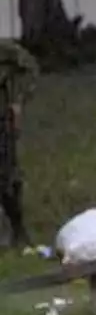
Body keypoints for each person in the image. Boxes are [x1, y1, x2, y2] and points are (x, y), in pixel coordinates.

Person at [0, 40, 38, 248]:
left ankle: (17, 228)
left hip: (1, 123)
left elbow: (29, 67)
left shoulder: (6, 52)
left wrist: (17, 101)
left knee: (6, 177)